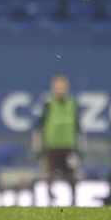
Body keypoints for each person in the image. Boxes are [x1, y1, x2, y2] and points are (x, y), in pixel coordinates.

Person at [32, 74, 80, 205]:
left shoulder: (72, 103)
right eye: (57, 87)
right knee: (50, 175)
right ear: (53, 88)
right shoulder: (47, 104)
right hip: (52, 146)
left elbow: (78, 126)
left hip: (68, 146)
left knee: (72, 175)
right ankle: (49, 201)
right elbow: (38, 126)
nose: (60, 90)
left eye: (62, 87)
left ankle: (74, 201)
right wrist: (38, 146)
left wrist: (79, 146)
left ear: (67, 87)